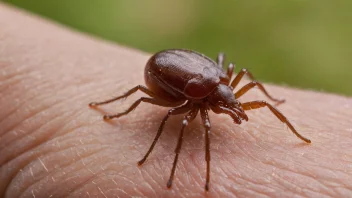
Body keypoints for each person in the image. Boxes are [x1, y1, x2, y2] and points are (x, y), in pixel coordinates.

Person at [1, 3, 351, 197]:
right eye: (230, 104)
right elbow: (174, 112)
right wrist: (162, 158)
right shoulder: (195, 105)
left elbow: (238, 82)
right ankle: (148, 143)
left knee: (232, 90)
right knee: (175, 116)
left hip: (196, 76)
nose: (236, 110)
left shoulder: (226, 84)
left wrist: (267, 101)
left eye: (233, 102)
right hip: (164, 76)